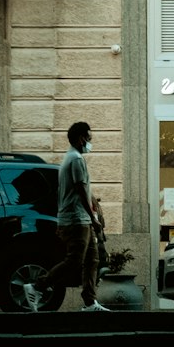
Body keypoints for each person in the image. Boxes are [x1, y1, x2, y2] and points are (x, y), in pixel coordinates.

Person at [24, 120, 109, 311]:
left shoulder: (70, 158)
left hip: (80, 219)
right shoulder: (76, 159)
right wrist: (94, 218)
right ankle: (38, 286)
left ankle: (90, 301)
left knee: (91, 260)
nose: (90, 142)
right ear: (80, 139)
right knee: (75, 260)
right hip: (77, 219)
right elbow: (80, 190)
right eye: (89, 138)